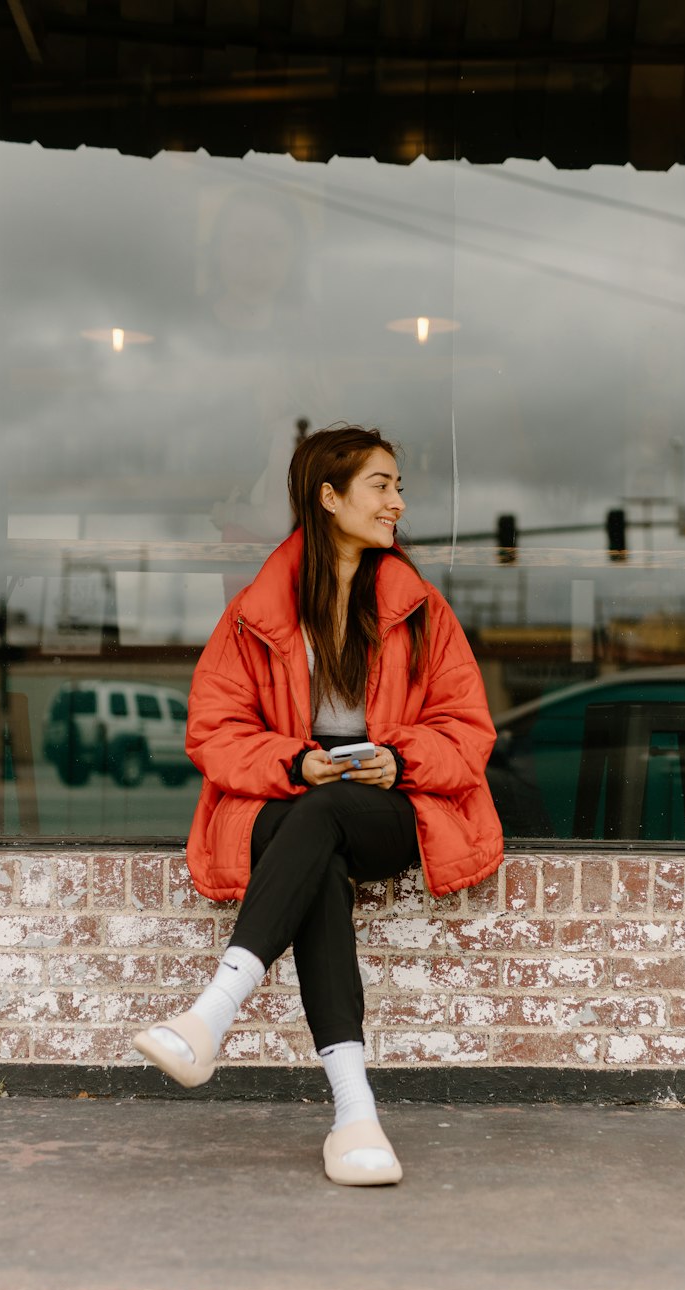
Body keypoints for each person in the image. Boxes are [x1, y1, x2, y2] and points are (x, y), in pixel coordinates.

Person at [134, 425, 504, 1186]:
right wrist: (293, 760)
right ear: (329, 498)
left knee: (327, 815)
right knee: (315, 839)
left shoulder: (419, 607)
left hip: (390, 805)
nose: (397, 502)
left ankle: (212, 1013)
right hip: (296, 800)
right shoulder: (256, 612)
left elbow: (468, 732)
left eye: (398, 486)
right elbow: (213, 729)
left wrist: (397, 758)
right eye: (382, 485)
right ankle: (353, 1111)